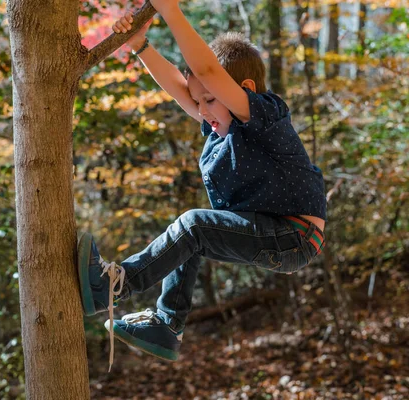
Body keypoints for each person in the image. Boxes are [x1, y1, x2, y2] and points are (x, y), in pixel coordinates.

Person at [78, 0, 327, 369]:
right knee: (192, 238)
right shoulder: (220, 123)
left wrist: (171, 12)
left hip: (294, 235)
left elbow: (208, 72)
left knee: (194, 226)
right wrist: (141, 47)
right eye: (199, 102)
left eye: (209, 99)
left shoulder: (264, 115)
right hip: (277, 233)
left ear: (241, 89)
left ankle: (116, 287)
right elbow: (184, 88)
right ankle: (167, 325)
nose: (202, 110)